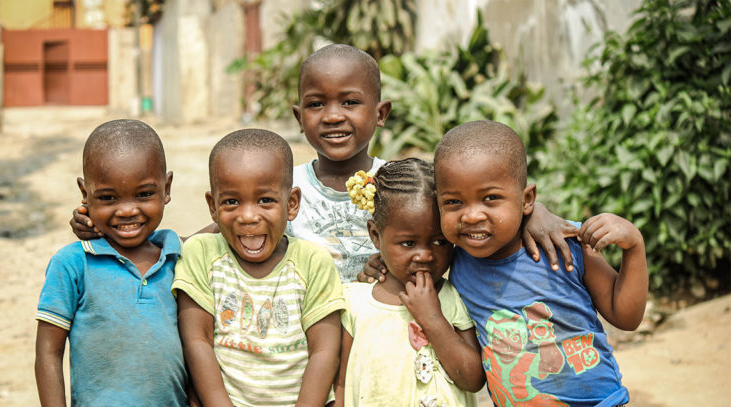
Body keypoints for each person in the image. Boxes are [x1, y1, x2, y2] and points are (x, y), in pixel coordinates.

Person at [68, 44, 577, 283]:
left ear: (381, 114)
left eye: (349, 102)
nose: (332, 117)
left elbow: (475, 201)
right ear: (298, 115)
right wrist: (116, 228)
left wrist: (539, 213)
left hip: (390, 332)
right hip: (306, 338)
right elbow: (215, 230)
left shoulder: (402, 183)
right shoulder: (279, 187)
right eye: (316, 104)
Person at [435, 120, 648, 406]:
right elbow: (408, 243)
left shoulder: (566, 244)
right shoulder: (454, 258)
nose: (472, 216)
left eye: (490, 198)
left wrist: (634, 247)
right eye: (454, 203)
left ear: (527, 200)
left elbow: (626, 317)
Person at [172, 128, 345, 407]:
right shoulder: (201, 255)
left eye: (265, 200)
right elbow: (197, 341)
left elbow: (324, 351)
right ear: (212, 207)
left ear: (291, 204)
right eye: (231, 202)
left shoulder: (313, 262)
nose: (249, 216)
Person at [34, 119, 191, 406]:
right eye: (108, 198)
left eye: (144, 194)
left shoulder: (179, 255)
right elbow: (48, 352)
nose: (128, 210)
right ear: (85, 194)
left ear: (166, 188)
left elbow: (220, 229)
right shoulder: (72, 264)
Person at [335, 158, 484, 407]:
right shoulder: (355, 303)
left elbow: (473, 379)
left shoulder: (454, 297)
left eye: (439, 242)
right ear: (375, 235)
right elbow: (340, 384)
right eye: (408, 243)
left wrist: (432, 317)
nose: (425, 255)